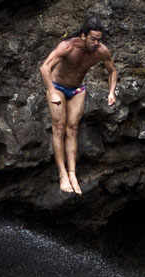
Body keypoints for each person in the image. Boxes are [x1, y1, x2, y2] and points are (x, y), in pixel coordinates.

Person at [39, 17, 117, 194]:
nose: (97, 43)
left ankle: (72, 173)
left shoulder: (102, 51)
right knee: (59, 127)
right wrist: (51, 91)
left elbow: (112, 71)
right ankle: (62, 174)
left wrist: (111, 92)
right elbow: (45, 68)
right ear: (84, 36)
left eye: (99, 39)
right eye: (93, 39)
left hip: (77, 90)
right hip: (57, 87)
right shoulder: (67, 47)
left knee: (72, 128)